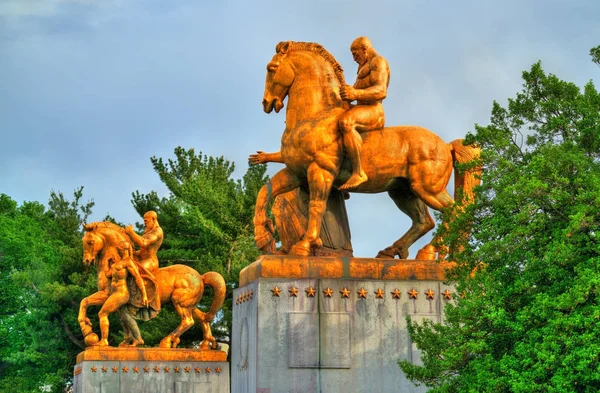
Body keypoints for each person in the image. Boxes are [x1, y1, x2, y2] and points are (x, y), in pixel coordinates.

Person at [338, 36, 391, 190]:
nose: (354, 58)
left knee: (346, 122)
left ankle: (358, 172)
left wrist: (354, 94)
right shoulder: (364, 66)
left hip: (374, 110)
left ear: (364, 49)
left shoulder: (378, 62)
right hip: (362, 108)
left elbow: (381, 90)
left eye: (355, 54)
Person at [97, 243, 148, 347]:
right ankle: (138, 338)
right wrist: (107, 262)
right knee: (125, 316)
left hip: (121, 293)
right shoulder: (118, 263)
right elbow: (108, 274)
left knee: (102, 313)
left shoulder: (128, 262)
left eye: (119, 248)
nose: (117, 250)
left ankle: (104, 340)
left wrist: (144, 294)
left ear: (124, 249)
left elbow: (137, 278)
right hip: (115, 293)